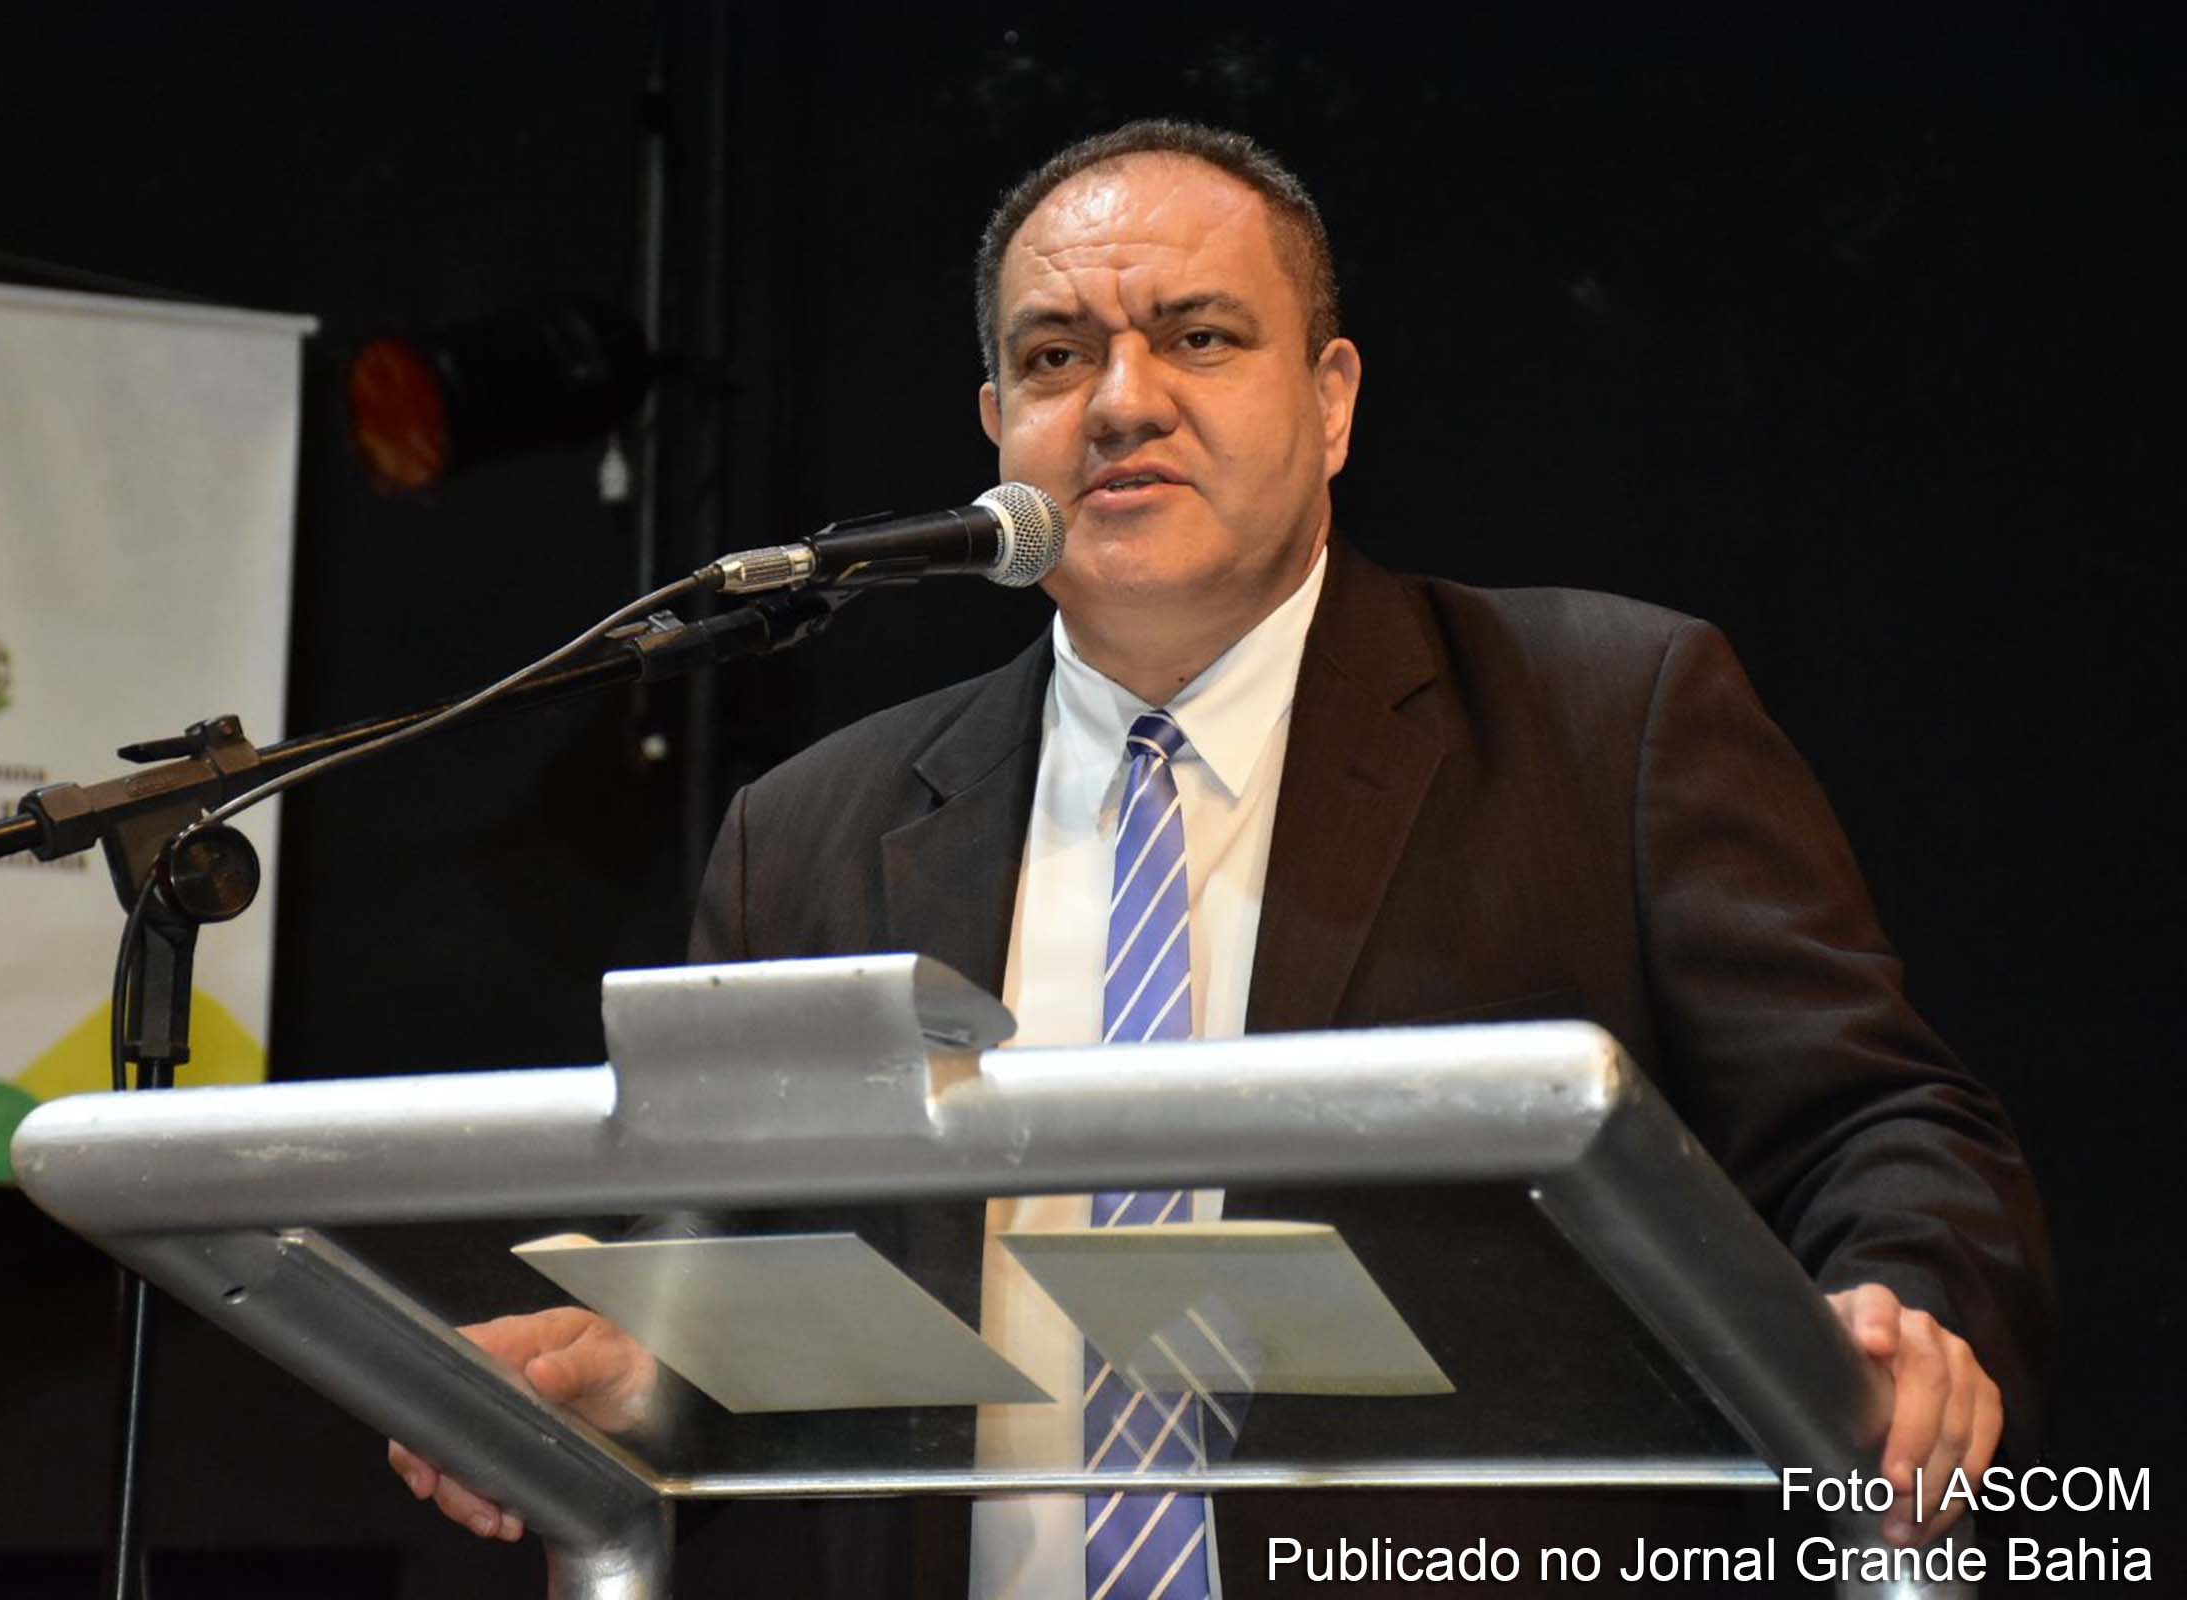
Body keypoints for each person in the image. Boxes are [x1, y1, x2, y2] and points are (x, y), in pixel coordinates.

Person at [393, 120, 2053, 1594]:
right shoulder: (810, 832)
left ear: (1330, 402)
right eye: (1055, 357)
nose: (1121, 401)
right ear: (995, 426)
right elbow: (745, 1320)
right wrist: (636, 1388)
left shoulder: (1604, 719)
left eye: (1198, 336)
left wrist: (1910, 1313)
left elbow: (1884, 1127)